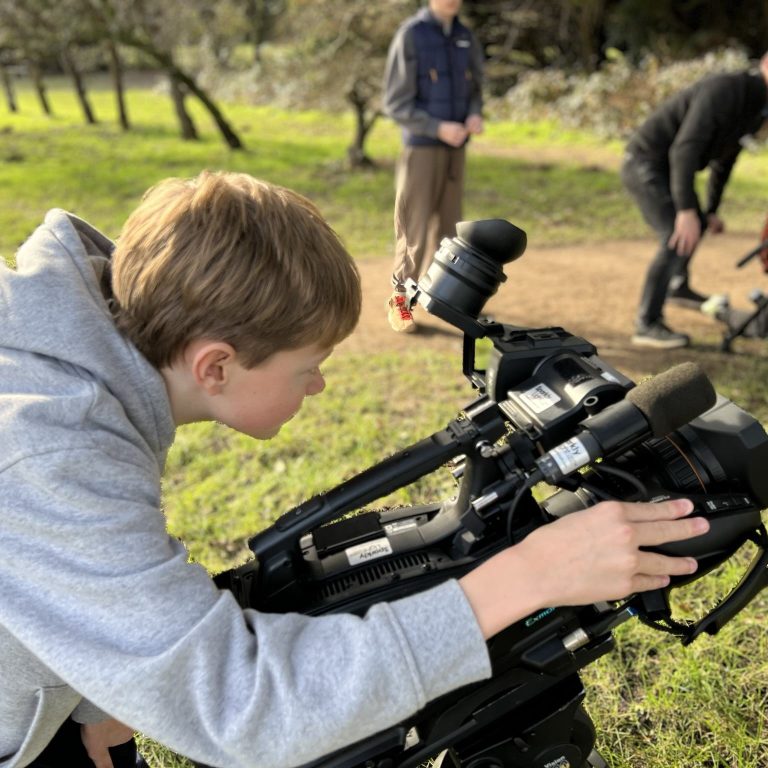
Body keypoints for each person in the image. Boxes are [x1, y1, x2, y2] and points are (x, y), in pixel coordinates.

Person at [0, 170, 709, 768]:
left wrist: (94, 693)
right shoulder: (54, 448)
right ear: (214, 365)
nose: (318, 388)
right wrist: (528, 578)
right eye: (308, 368)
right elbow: (250, 706)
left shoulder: (82, 352)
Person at [621, 53, 768, 349]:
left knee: (695, 225)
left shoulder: (757, 105)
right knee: (675, 237)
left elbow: (725, 159)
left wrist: (709, 211)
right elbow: (684, 149)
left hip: (667, 167)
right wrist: (687, 210)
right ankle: (647, 324)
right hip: (645, 163)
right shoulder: (728, 89)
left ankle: (678, 287)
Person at [383, 0, 485, 333]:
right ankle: (400, 303)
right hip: (422, 149)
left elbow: (475, 89)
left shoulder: (465, 35)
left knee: (450, 230)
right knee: (413, 229)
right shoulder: (410, 35)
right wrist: (437, 128)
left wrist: (474, 114)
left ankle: (442, 299)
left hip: (457, 148)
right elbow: (395, 103)